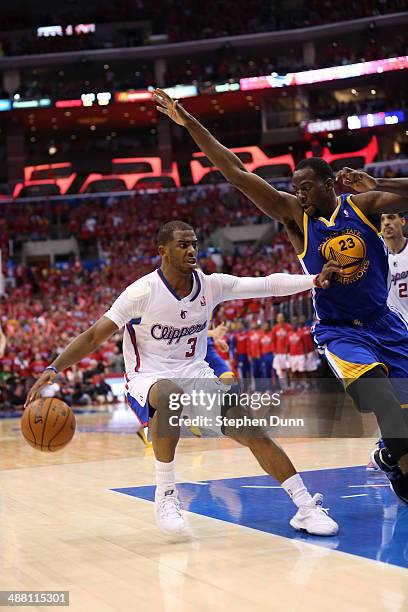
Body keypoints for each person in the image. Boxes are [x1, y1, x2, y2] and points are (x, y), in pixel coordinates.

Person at [154, 88, 408, 503]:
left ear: (329, 185)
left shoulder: (363, 205)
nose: (301, 195)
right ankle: (398, 457)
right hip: (341, 330)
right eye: (296, 188)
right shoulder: (294, 217)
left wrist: (378, 181)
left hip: (385, 322)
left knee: (401, 415)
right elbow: (237, 172)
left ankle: (387, 452)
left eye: (307, 188)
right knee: (379, 400)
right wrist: (189, 123)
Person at [26, 220, 340, 537]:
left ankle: (305, 508)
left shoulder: (210, 285)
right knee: (168, 394)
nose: (191, 250)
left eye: (194, 244)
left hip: (196, 374)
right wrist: (53, 368)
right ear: (163, 250)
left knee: (253, 432)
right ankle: (165, 494)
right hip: (148, 377)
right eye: (183, 244)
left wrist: (313, 280)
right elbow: (94, 335)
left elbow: (266, 285)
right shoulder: (142, 292)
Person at [367, 213, 408, 469]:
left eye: (391, 218)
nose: (387, 224)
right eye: (382, 221)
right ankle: (387, 447)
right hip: (393, 336)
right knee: (392, 396)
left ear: (402, 221)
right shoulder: (377, 259)